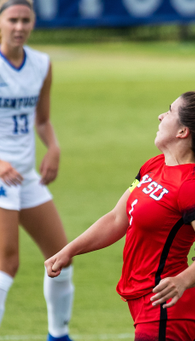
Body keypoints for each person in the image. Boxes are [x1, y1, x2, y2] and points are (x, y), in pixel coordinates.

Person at [45, 91, 195, 341]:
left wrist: (182, 280)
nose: (160, 116)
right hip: (145, 300)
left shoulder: (192, 185)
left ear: (182, 132)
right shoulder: (154, 166)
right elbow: (117, 218)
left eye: (169, 111)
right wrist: (69, 250)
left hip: (167, 307)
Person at [0, 1, 75, 340]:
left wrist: (54, 147)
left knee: (62, 257)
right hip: (0, 176)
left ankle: (58, 335)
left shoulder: (42, 64)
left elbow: (41, 120)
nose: (19, 27)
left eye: (25, 20)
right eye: (12, 19)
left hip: (26, 176)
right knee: (7, 264)